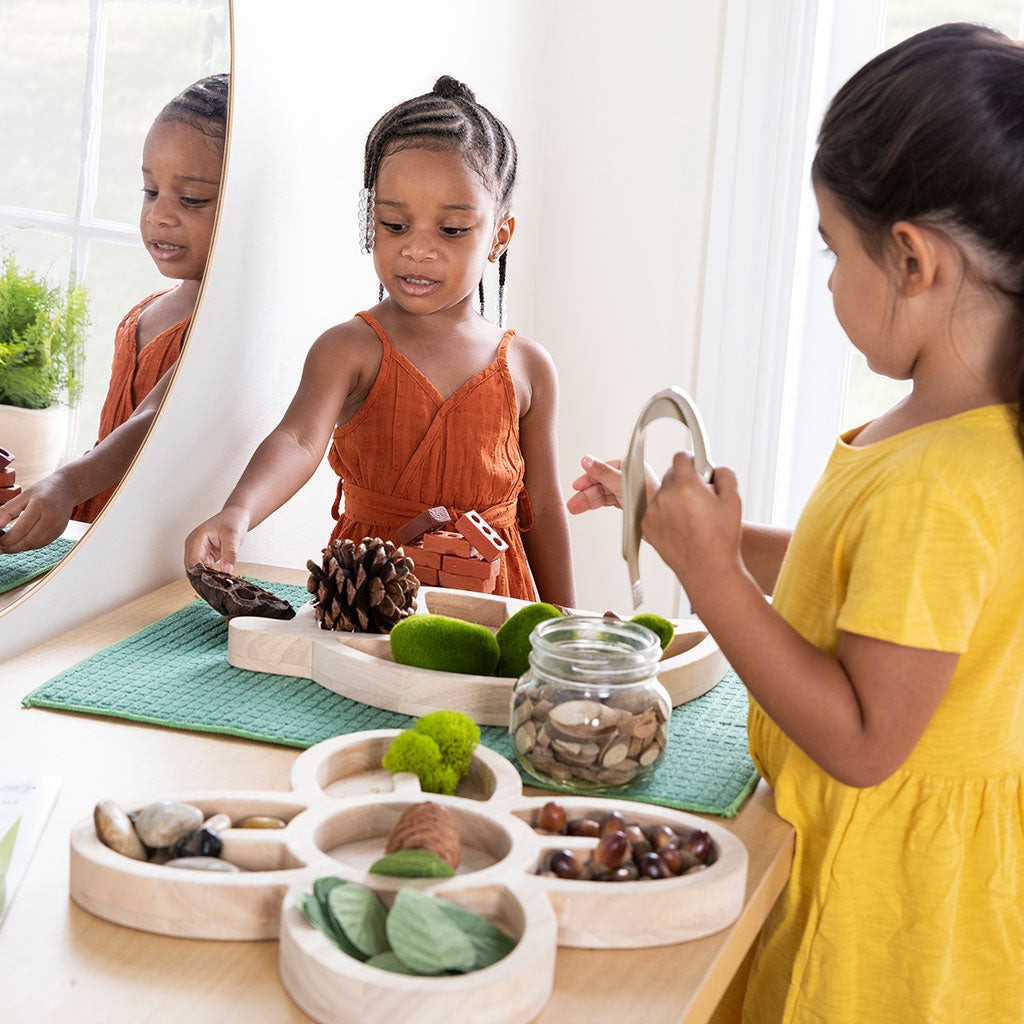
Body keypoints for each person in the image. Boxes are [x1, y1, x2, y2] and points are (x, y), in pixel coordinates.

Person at [569, 24, 1024, 1023]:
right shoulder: (952, 435)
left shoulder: (939, 481)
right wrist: (681, 529)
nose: (824, 281)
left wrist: (717, 580)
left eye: (830, 247)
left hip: (880, 915)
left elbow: (865, 737)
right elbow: (855, 586)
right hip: (870, 858)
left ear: (909, 258)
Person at [186, 76, 575, 606]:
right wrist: (238, 510)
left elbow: (545, 510)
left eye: (452, 230)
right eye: (395, 224)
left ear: (499, 236)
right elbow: (298, 441)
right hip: (371, 604)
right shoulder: (350, 348)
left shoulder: (529, 367)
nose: (417, 250)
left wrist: (565, 624)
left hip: (495, 603)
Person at [0, 73, 228, 553]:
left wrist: (65, 483)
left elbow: (154, 417)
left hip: (150, 546)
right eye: (150, 191)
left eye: (191, 199)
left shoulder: (222, 325)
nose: (159, 215)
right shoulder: (147, 312)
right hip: (95, 522)